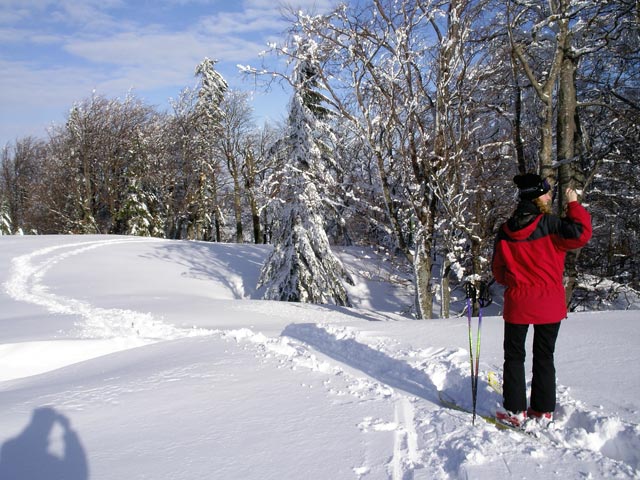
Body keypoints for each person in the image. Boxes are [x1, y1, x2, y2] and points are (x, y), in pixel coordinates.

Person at [491, 173, 592, 428]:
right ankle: (542, 410)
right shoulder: (550, 224)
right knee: (544, 356)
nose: (550, 196)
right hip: (548, 302)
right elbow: (581, 233)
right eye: (547, 193)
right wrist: (573, 204)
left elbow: (498, 271)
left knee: (514, 357)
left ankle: (515, 411)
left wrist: (515, 280)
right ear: (537, 197)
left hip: (518, 302)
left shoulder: (505, 230)